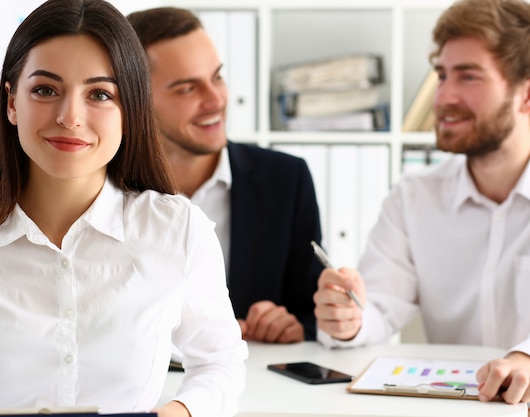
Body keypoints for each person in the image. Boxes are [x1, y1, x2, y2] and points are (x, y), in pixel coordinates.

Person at [0, 1, 247, 416]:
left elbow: (220, 364)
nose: (70, 117)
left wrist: (175, 413)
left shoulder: (179, 230)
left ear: (130, 111)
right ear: (12, 103)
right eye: (46, 90)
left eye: (100, 94)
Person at [314, 0, 530, 405]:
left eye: (469, 77)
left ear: (525, 96)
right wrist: (349, 319)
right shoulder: (413, 198)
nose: (443, 96)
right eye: (442, 75)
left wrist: (525, 356)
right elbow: (378, 307)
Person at [127, 7, 323, 344]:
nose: (215, 99)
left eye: (217, 77)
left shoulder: (285, 180)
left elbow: (313, 315)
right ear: (136, 100)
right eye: (187, 88)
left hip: (250, 385)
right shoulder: (101, 190)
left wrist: (292, 326)